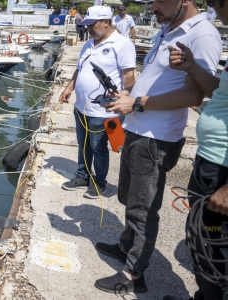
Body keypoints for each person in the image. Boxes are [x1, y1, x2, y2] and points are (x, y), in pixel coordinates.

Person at [95, 0, 222, 294]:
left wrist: (137, 102)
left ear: (185, 1)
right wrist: (129, 94)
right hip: (137, 127)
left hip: (157, 137)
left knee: (143, 207)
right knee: (129, 197)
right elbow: (159, 80)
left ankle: (134, 274)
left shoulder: (201, 34)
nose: (152, 7)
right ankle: (127, 245)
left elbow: (194, 94)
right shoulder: (167, 29)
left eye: (158, 1)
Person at [166, 2, 228, 300]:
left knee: (216, 250)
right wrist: (192, 67)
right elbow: (219, 91)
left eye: (218, 3)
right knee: (203, 243)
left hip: (223, 171)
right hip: (211, 162)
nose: (216, 10)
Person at [59, 6, 136, 199]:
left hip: (102, 110)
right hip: (81, 106)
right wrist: (69, 88)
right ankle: (83, 175)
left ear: (106, 22)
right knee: (82, 144)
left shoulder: (122, 44)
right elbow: (80, 68)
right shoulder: (89, 43)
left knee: (98, 147)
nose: (88, 29)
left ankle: (99, 181)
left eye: (91, 25)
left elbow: (129, 78)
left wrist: (124, 100)